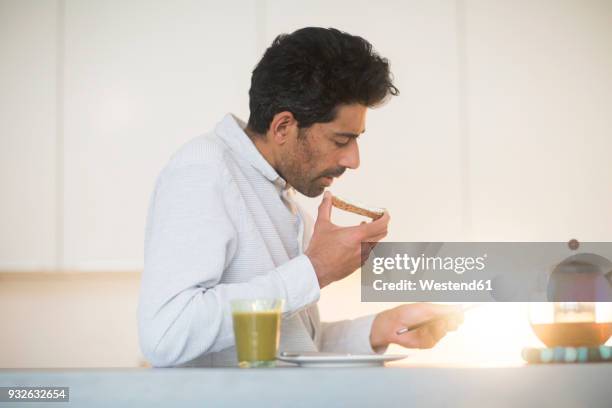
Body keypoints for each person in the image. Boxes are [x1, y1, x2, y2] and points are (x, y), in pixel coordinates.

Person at [138, 27, 463, 367]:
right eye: (341, 141)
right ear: (282, 127)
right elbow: (166, 333)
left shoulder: (282, 197)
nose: (353, 160)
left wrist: (381, 329)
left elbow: (292, 348)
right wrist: (316, 269)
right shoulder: (204, 169)